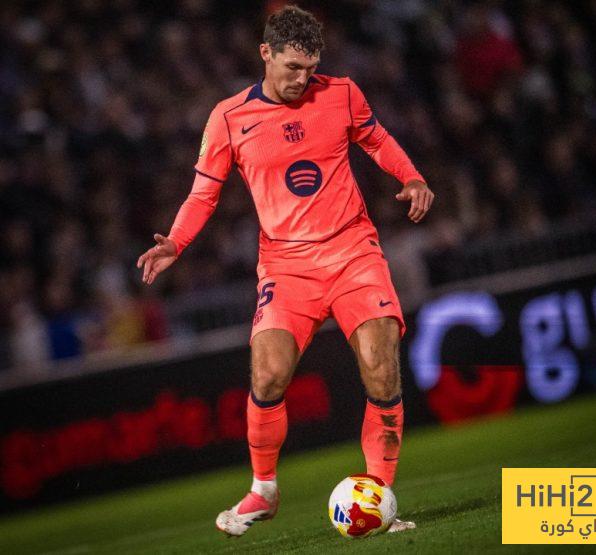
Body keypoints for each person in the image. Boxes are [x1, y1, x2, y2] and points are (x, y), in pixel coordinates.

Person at [137, 5, 434, 537]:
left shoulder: (342, 93)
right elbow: (203, 194)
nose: (302, 78)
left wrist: (411, 177)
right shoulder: (229, 117)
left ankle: (379, 496)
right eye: (293, 67)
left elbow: (377, 140)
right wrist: (176, 241)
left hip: (353, 252)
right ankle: (264, 491)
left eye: (311, 68)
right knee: (269, 374)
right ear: (266, 54)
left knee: (380, 365)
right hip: (287, 266)